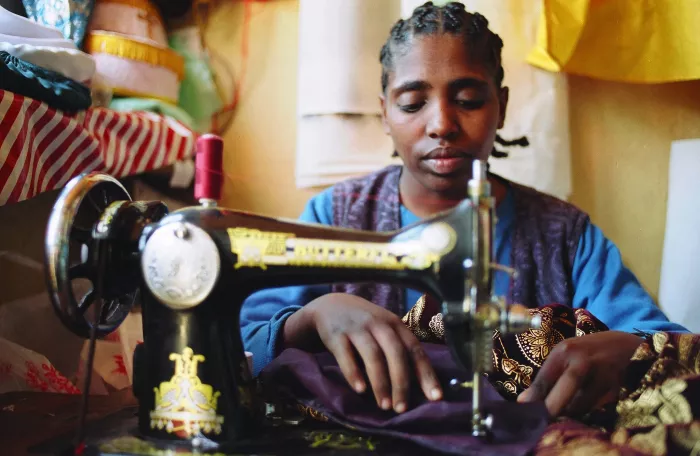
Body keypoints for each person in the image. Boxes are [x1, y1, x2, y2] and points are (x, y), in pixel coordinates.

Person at [240, 1, 687, 419]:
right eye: (413, 103)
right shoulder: (332, 216)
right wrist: (311, 318)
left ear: (502, 105)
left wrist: (629, 347)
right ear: (384, 114)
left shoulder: (566, 236)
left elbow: (671, 343)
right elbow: (243, 338)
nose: (441, 125)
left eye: (469, 100)